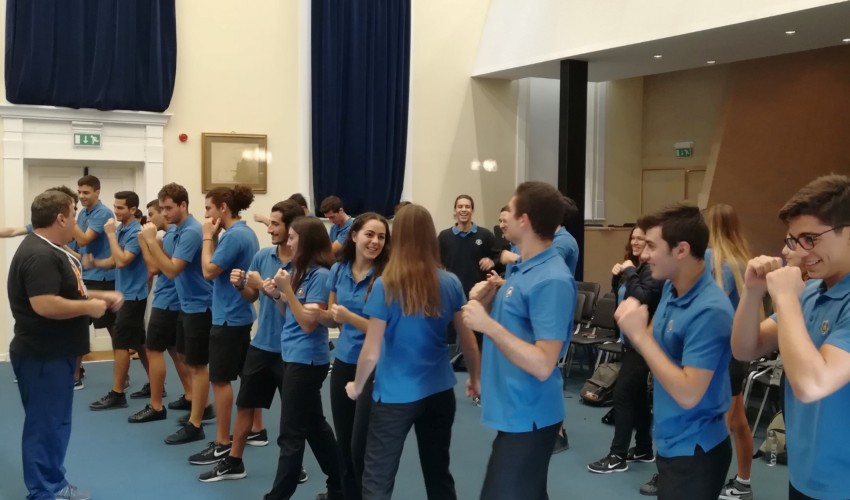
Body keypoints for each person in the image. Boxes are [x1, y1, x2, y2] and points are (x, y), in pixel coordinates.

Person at [346, 204, 480, 500]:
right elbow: (468, 341)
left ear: (398, 237)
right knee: (438, 473)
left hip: (395, 396)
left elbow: (370, 351)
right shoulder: (450, 282)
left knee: (377, 480)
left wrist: (356, 386)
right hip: (440, 391)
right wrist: (475, 378)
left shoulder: (386, 285)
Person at [731, 174, 850, 500]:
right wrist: (753, 292)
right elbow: (745, 349)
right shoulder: (809, 292)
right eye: (794, 239)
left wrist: (784, 299)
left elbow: (813, 385)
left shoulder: (798, 296)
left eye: (810, 238)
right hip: (805, 473)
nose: (798, 250)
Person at [460, 182, 575, 500]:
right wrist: (486, 305)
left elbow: (542, 363)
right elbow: (516, 330)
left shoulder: (551, 278)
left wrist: (486, 325)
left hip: (531, 417)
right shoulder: (521, 269)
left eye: (508, 211)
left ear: (524, 220)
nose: (502, 219)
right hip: (514, 410)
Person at [9, 189, 123, 500]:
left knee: (54, 424)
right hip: (43, 356)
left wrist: (99, 296)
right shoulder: (40, 254)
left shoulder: (52, 249)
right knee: (45, 427)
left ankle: (53, 483)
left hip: (53, 355)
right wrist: (89, 308)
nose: (76, 219)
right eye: (73, 213)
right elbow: (45, 304)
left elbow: (69, 293)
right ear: (60, 217)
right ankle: (45, 492)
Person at [615, 204, 733, 500]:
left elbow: (688, 393)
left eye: (652, 246)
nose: (643, 255)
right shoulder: (673, 283)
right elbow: (657, 340)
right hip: (670, 438)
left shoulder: (710, 310)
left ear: (681, 250)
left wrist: (639, 336)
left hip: (696, 450)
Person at [198, 200, 308, 483]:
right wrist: (240, 286)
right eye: (269, 223)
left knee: (294, 412)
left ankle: (294, 465)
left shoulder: (306, 266)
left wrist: (265, 287)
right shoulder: (262, 255)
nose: (269, 228)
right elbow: (252, 296)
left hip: (292, 349)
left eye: (275, 224)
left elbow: (297, 309)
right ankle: (234, 462)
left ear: (291, 228)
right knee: (245, 404)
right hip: (262, 344)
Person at [264, 217, 342, 500]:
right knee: (314, 428)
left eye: (293, 236)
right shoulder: (298, 272)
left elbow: (310, 323)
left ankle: (277, 496)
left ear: (306, 241)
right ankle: (341, 486)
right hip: (293, 355)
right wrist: (277, 296)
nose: (288, 241)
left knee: (291, 434)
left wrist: (286, 291)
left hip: (307, 361)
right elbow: (292, 318)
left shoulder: (321, 275)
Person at [316, 212, 390, 499]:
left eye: (381, 237)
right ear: (354, 235)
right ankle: (347, 494)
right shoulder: (339, 269)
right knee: (344, 441)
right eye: (370, 234)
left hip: (375, 366)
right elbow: (334, 320)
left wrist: (348, 316)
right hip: (345, 361)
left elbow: (383, 329)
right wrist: (299, 304)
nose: (375, 241)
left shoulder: (387, 275)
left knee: (363, 446)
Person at [188, 186, 260, 465]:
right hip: (237, 314)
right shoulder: (244, 232)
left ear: (223, 208)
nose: (205, 214)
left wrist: (207, 237)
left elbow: (207, 271)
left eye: (208, 208)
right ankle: (256, 428)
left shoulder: (234, 236)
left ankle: (222, 442)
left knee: (220, 379)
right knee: (245, 375)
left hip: (228, 317)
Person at [139, 183, 215, 445]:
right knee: (186, 360)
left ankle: (197, 424)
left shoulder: (193, 232)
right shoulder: (175, 232)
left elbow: (171, 270)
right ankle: (196, 411)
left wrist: (150, 241)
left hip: (200, 305)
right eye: (161, 208)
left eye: (169, 208)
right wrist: (152, 243)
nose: (165, 213)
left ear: (183, 205)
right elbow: (159, 267)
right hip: (185, 305)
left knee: (197, 366)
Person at [587, 226, 663, 475]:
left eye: (643, 239)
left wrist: (629, 271)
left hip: (644, 343)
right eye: (634, 238)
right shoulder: (638, 268)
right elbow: (622, 297)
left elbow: (644, 297)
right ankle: (643, 448)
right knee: (638, 396)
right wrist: (616, 277)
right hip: (628, 339)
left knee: (622, 395)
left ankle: (617, 455)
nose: (636, 242)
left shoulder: (651, 270)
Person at [703, 203, 756, 500]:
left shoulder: (716, 260)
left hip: (721, 354)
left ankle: (708, 485)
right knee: (737, 421)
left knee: (720, 425)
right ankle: (743, 483)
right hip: (738, 354)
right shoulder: (742, 260)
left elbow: (712, 307)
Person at [127, 199, 192, 423]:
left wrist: (145, 242)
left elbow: (155, 268)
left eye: (153, 212)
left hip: (167, 301)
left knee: (154, 350)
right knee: (175, 351)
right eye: (157, 211)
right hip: (174, 301)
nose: (152, 217)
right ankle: (191, 395)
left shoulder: (170, 235)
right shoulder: (173, 234)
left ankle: (156, 405)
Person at [86, 191, 152, 411]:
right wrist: (95, 263)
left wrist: (111, 235)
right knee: (140, 342)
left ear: (133, 210)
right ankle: (156, 384)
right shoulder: (123, 229)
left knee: (121, 343)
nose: (116, 211)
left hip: (132, 297)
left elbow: (123, 261)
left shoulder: (135, 233)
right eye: (115, 206)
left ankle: (117, 393)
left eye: (121, 208)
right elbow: (114, 260)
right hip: (126, 294)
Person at [73, 175, 117, 362]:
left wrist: (67, 218)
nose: (81, 196)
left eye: (86, 192)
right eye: (79, 192)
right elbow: (77, 245)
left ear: (97, 192)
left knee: (113, 328)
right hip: (85, 275)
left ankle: (122, 371)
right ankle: (76, 373)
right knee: (77, 325)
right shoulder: (83, 214)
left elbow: (84, 239)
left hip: (102, 278)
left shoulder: (103, 213)